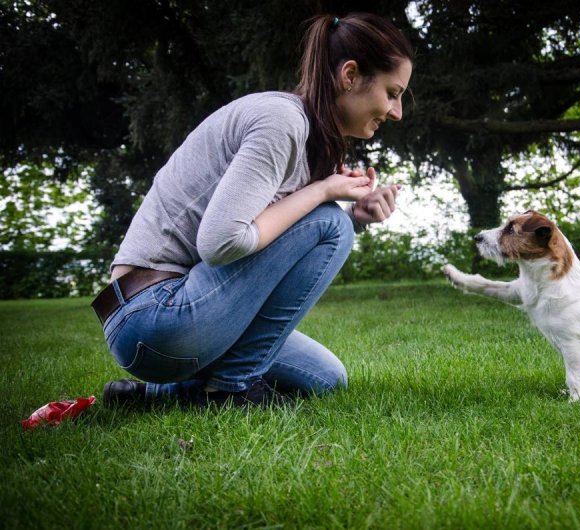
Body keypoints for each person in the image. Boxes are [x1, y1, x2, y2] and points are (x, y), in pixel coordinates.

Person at [94, 12, 414, 408]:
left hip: (182, 313)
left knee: (326, 378)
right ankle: (232, 389)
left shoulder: (306, 135)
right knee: (330, 223)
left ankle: (154, 397)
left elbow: (270, 238)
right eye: (393, 92)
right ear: (349, 75)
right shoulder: (281, 122)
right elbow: (220, 243)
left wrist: (354, 218)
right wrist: (321, 193)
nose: (397, 112)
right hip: (151, 315)